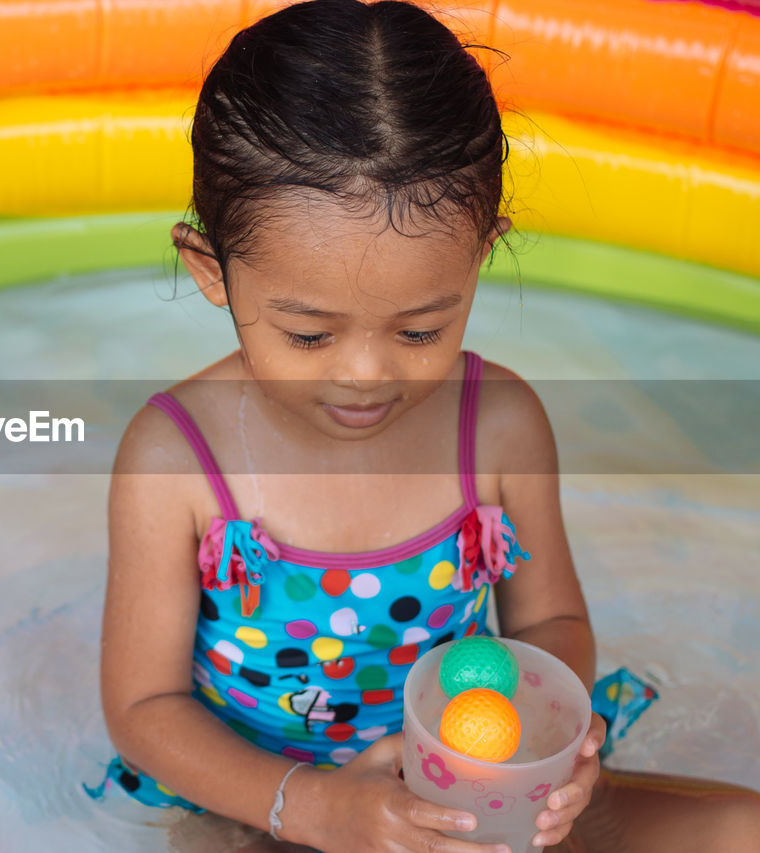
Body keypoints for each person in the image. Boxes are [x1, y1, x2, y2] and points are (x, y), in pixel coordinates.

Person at [88, 1, 760, 850]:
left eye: (420, 330)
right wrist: (316, 809)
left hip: (471, 791)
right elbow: (144, 710)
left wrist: (551, 751)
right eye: (308, 333)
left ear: (482, 253)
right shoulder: (175, 459)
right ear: (210, 271)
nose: (366, 372)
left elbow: (551, 625)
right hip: (257, 802)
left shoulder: (501, 424)